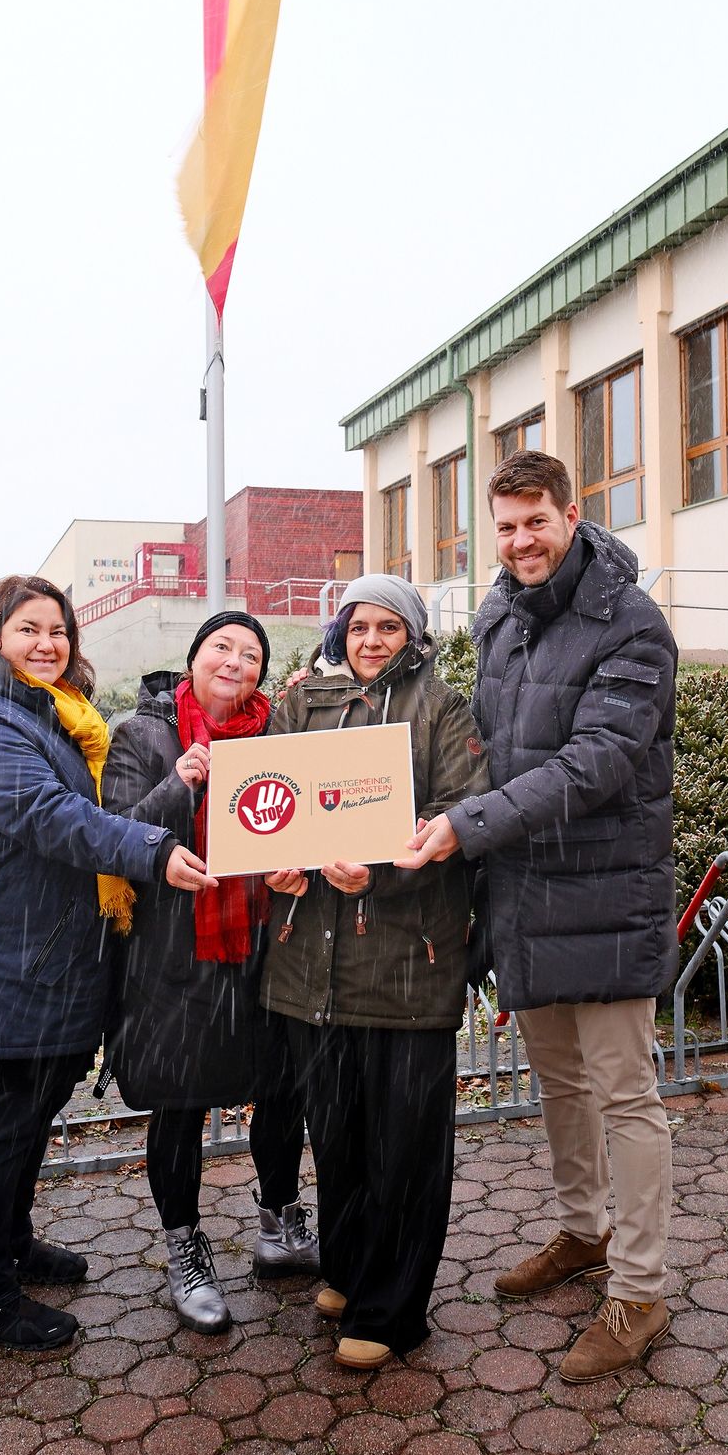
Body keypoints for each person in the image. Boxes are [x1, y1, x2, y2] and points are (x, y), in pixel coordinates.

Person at [400, 449, 678, 1381]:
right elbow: (480, 742)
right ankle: (581, 1231)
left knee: (625, 1094)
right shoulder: (499, 618)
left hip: (602, 894)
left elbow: (596, 764)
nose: (521, 542)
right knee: (559, 1083)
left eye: (536, 522)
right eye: (506, 526)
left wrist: (462, 825)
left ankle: (640, 1289)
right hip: (523, 892)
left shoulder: (631, 623)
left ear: (571, 513)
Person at [0, 575, 214, 1353]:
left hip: (27, 955)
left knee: (28, 1115)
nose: (47, 643)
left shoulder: (36, 710)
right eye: (28, 629)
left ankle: (10, 1243)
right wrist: (151, 847)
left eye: (58, 630)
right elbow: (48, 817)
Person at [262, 574, 489, 1371]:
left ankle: (394, 1310)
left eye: (389, 626)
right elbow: (269, 802)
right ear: (340, 630)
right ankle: (349, 1268)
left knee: (407, 1144)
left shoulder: (442, 707)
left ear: (414, 635)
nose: (370, 640)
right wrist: (280, 863)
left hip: (406, 962)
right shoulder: (303, 703)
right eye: (359, 625)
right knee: (340, 1133)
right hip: (312, 967)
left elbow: (462, 816)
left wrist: (382, 872)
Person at [102, 611, 318, 1335]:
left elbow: (313, 814)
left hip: (267, 943)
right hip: (177, 953)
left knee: (282, 1089)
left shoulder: (277, 732)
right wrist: (181, 782)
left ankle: (280, 1222)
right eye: (221, 646)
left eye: (250, 652)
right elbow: (119, 830)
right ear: (193, 659)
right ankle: (184, 1246)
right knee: (179, 1103)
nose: (236, 661)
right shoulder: (145, 735)